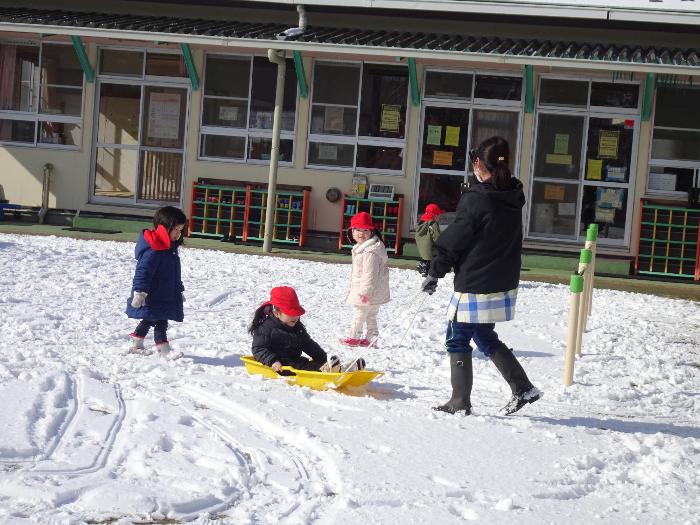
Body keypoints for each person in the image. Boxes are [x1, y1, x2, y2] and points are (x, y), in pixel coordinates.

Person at [421, 136, 542, 416]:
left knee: (457, 337)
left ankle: (459, 401)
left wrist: (434, 271)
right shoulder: (511, 194)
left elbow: (455, 239)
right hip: (501, 279)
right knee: (484, 335)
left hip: (476, 282)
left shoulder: (477, 199)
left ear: (477, 162)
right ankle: (523, 387)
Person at [250, 286, 364, 372]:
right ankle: (335, 370)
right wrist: (272, 361)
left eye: (297, 313)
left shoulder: (296, 326)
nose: (295, 317)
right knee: (309, 367)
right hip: (280, 366)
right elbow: (258, 349)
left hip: (295, 361)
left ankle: (339, 367)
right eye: (291, 313)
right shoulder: (266, 327)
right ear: (276, 313)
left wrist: (323, 358)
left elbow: (307, 344)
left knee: (314, 364)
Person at [126, 206, 187, 359]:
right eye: (176, 230)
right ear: (165, 227)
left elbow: (172, 274)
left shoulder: (169, 248)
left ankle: (137, 342)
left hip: (164, 293)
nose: (179, 234)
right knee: (160, 321)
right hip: (152, 294)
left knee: (150, 319)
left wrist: (178, 290)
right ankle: (163, 349)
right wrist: (139, 292)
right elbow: (143, 272)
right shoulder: (154, 249)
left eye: (181, 231)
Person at [340, 211, 390, 347]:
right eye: (357, 230)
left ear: (371, 231)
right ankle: (372, 338)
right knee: (371, 315)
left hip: (367, 293)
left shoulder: (370, 252)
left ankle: (354, 337)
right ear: (351, 231)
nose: (360, 233)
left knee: (359, 314)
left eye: (365, 230)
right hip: (375, 292)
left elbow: (370, 275)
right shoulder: (367, 247)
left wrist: (365, 293)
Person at [414, 203, 444, 277]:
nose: (440, 216)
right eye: (438, 214)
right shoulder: (433, 224)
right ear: (434, 215)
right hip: (430, 248)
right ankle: (428, 270)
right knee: (434, 258)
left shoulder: (422, 223)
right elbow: (437, 237)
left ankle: (423, 265)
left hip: (422, 248)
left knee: (427, 257)